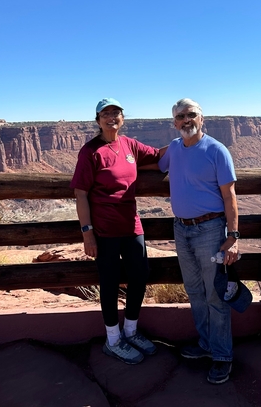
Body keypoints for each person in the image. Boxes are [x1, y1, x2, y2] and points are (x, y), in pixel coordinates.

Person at [70, 98, 165, 365]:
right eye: (106, 113)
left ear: (122, 117)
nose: (112, 117)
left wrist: (187, 141)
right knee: (109, 283)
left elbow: (159, 157)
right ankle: (113, 340)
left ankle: (131, 331)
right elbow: (80, 194)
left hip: (131, 225)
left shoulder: (129, 144)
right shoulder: (90, 151)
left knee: (140, 275)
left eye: (116, 112)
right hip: (104, 230)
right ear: (98, 119)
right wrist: (87, 233)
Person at [158, 98, 240, 384]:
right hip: (181, 230)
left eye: (191, 114)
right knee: (194, 291)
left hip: (210, 230)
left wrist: (234, 237)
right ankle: (206, 344)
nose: (186, 120)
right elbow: (153, 162)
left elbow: (230, 196)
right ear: (174, 122)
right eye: (180, 116)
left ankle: (222, 356)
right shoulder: (174, 149)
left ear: (201, 118)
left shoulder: (217, 150)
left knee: (215, 294)